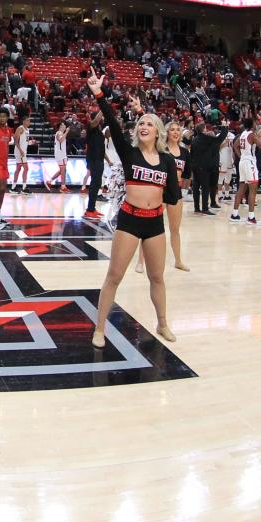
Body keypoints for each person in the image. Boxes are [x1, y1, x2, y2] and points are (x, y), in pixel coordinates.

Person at [86, 73, 179, 347]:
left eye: (149, 123)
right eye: (141, 123)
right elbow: (113, 124)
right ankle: (100, 328)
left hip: (154, 224)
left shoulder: (166, 161)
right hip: (129, 219)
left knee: (157, 277)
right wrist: (99, 94)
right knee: (114, 276)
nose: (143, 126)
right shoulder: (130, 153)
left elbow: (172, 195)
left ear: (158, 130)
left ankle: (162, 323)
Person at [136, 120, 191, 273]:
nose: (175, 132)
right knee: (149, 228)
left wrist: (182, 186)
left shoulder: (185, 152)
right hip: (160, 192)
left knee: (175, 229)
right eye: (172, 129)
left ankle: (178, 261)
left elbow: (186, 175)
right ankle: (140, 262)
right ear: (166, 132)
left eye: (177, 130)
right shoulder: (161, 150)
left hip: (176, 193)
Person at [229, 118, 261, 225]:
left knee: (241, 187)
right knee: (252, 190)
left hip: (243, 162)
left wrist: (240, 156)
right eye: (255, 123)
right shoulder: (251, 135)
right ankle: (251, 217)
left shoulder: (244, 134)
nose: (256, 124)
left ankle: (234, 214)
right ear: (251, 125)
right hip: (249, 162)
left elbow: (235, 146)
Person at [83, 107, 105, 219]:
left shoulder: (99, 131)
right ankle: (89, 210)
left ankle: (92, 207)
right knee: (94, 184)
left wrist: (108, 160)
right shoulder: (90, 127)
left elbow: (101, 147)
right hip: (94, 159)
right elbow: (95, 121)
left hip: (99, 159)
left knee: (97, 184)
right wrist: (103, 108)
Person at [45, 122, 69, 192]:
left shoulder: (61, 133)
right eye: (64, 125)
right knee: (63, 170)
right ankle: (63, 187)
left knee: (63, 170)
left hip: (63, 154)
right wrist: (67, 132)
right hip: (60, 154)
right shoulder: (59, 133)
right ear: (61, 126)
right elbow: (61, 140)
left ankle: (49, 181)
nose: (65, 126)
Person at [11, 109, 30, 193]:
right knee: (26, 168)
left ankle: (13, 187)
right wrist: (21, 150)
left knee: (18, 169)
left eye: (29, 121)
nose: (29, 122)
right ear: (24, 121)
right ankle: (24, 188)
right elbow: (16, 141)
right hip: (20, 152)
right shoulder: (20, 128)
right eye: (28, 121)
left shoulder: (27, 130)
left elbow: (24, 140)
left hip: (23, 151)